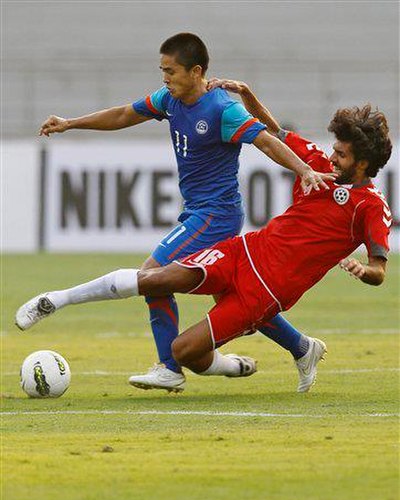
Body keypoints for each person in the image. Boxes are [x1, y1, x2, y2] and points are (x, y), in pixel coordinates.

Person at [16, 88, 392, 392]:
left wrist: (364, 270)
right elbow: (276, 135)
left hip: (263, 294)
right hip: (243, 251)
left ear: (362, 163)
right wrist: (248, 95)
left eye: (341, 154)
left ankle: (268, 354)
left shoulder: (371, 206)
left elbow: (379, 269)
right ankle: (57, 299)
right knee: (156, 277)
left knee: (185, 352)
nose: (332, 156)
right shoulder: (319, 164)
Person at [34, 33, 334, 393]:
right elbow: (124, 114)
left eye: (171, 71)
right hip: (200, 212)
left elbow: (266, 140)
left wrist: (303, 170)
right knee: (233, 295)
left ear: (196, 72)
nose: (164, 78)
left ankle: (169, 367)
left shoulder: (224, 109)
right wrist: (70, 123)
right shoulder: (169, 99)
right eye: (162, 70)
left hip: (214, 215)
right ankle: (301, 346)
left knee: (153, 275)